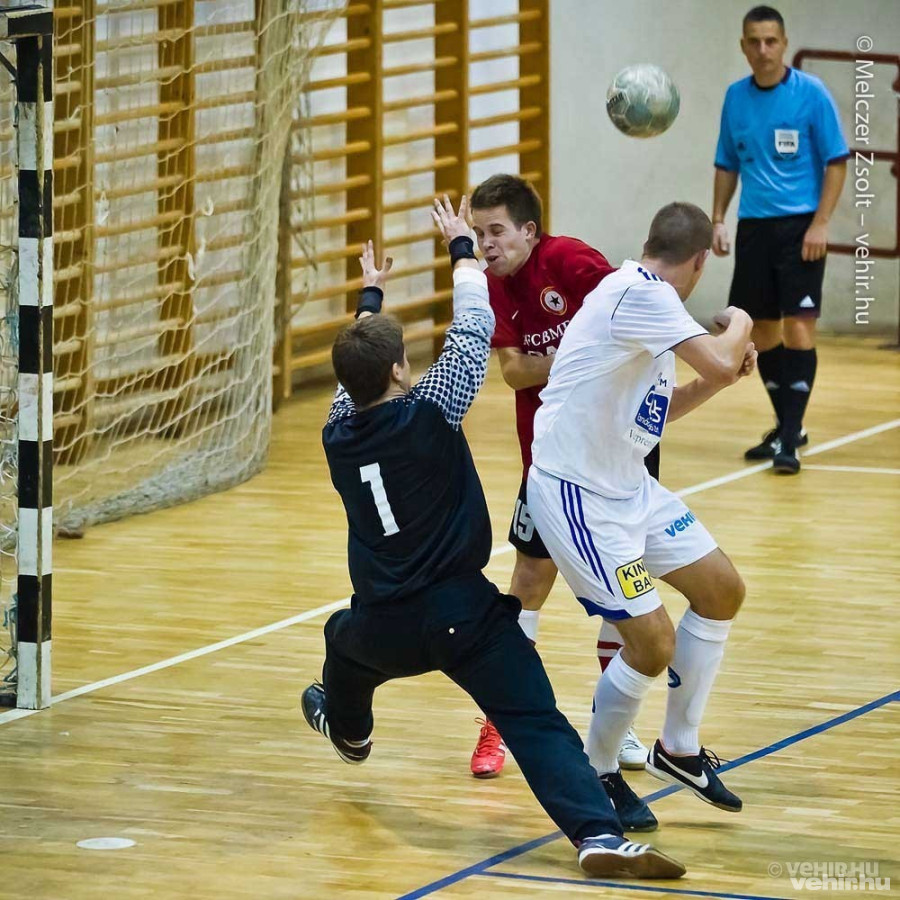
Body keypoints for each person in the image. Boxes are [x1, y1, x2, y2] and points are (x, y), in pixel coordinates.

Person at [300, 198, 686, 880]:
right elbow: (474, 325)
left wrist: (369, 299)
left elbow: (351, 374)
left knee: (340, 639)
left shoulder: (336, 433)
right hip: (462, 618)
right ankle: (597, 835)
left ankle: (350, 731)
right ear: (400, 371)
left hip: (383, 623)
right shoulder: (431, 410)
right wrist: (460, 249)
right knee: (535, 721)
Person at [527, 202, 756, 831]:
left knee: (721, 589)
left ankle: (678, 748)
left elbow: (660, 410)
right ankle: (597, 772)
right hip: (577, 495)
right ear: (702, 260)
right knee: (652, 643)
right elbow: (719, 353)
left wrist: (719, 380)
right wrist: (740, 321)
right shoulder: (641, 293)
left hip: (628, 486)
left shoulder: (646, 302)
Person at [466, 174, 651, 783]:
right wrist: (582, 354)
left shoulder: (569, 261)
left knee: (625, 588)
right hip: (549, 465)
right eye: (478, 234)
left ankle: (616, 724)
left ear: (529, 230)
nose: (487, 245)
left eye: (496, 231)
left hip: (620, 456)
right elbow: (515, 373)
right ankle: (499, 723)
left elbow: (630, 319)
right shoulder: (496, 286)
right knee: (527, 584)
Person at [712, 5, 848, 474]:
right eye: (754, 41)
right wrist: (718, 218)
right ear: (743, 46)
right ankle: (788, 424)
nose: (763, 49)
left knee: (799, 329)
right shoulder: (736, 97)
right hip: (755, 227)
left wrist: (821, 223)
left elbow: (836, 161)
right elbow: (726, 163)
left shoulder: (811, 94)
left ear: (784, 43)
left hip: (800, 228)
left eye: (771, 41)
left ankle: (789, 439)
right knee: (762, 332)